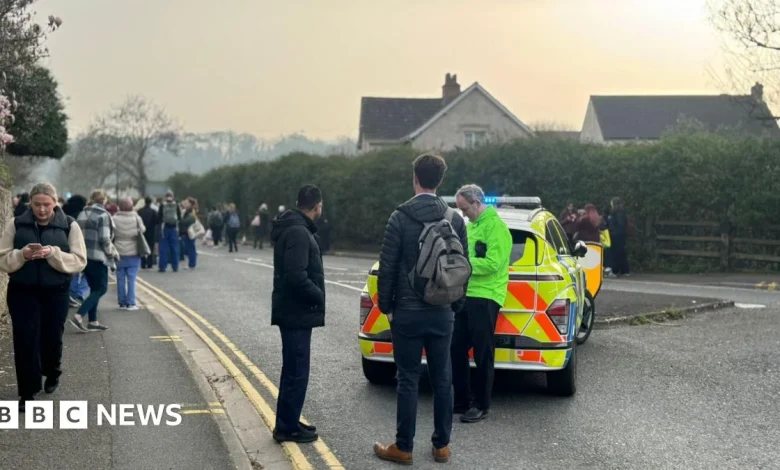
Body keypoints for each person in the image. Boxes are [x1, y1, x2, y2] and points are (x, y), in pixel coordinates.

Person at [374, 154, 468, 465]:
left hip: (408, 312)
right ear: (439, 181)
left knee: (409, 378)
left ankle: (404, 447)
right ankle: (441, 446)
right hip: (442, 311)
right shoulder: (454, 218)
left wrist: (386, 306)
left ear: (415, 179)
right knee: (443, 378)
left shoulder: (399, 218)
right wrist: (456, 305)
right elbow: (461, 266)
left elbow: (387, 268)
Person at [0, 183, 87, 412]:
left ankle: (52, 371)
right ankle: (27, 393)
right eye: (37, 204)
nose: (41, 210)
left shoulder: (69, 225)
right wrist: (23, 254)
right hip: (22, 291)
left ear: (55, 203)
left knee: (51, 338)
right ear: (30, 203)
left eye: (46, 204)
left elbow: (79, 260)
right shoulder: (16, 224)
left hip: (56, 291)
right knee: (25, 339)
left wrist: (53, 253)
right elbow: (2, 258)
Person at [452, 184, 511, 424]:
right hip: (466, 295)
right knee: (455, 347)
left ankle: (482, 405)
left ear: (477, 203)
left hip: (486, 296)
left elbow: (493, 263)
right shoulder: (472, 226)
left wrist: (463, 264)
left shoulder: (496, 227)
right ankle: (461, 400)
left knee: (483, 352)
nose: (463, 213)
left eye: (465, 208)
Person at [270, 185, 325, 444]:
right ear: (317, 206)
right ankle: (287, 428)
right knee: (296, 371)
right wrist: (318, 294)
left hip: (293, 311)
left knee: (293, 369)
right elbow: (296, 276)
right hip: (296, 311)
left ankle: (288, 422)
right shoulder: (298, 232)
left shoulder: (294, 228)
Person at [70, 189, 116, 332]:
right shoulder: (102, 215)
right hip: (97, 257)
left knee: (94, 288)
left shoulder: (82, 214)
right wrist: (111, 255)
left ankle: (93, 321)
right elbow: (105, 239)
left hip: (84, 257)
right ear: (104, 200)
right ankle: (79, 315)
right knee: (101, 288)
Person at [113, 197, 146, 310]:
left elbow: (111, 233)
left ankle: (122, 302)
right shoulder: (136, 218)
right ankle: (131, 303)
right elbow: (143, 230)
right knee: (131, 278)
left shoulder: (114, 218)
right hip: (134, 251)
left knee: (120, 278)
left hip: (119, 251)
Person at [63, 194, 90, 307]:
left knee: (71, 271)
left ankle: (71, 293)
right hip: (80, 245)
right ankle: (79, 293)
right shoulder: (82, 215)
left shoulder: (64, 212)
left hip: (65, 245)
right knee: (85, 271)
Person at [157, 191, 181, 273]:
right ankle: (175, 266)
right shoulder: (176, 205)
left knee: (163, 248)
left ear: (165, 197)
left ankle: (162, 267)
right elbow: (179, 217)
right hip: (174, 228)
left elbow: (159, 217)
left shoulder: (162, 205)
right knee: (174, 248)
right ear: (173, 197)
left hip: (165, 227)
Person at [608, 197, 630, 276]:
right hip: (620, 234)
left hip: (617, 234)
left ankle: (616, 270)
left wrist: (612, 226)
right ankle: (624, 270)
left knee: (617, 253)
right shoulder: (621, 211)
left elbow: (620, 223)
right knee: (621, 252)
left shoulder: (617, 212)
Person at [138, 196, 159, 269]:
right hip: (151, 231)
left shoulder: (140, 211)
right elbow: (157, 221)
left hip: (142, 231)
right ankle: (150, 263)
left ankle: (143, 263)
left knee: (143, 247)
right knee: (150, 247)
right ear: (150, 203)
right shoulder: (153, 212)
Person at [179, 197, 199, 269]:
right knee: (189, 247)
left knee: (190, 247)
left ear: (190, 204)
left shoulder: (190, 211)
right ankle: (191, 263)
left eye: (187, 202)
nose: (185, 203)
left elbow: (189, 220)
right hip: (187, 230)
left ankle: (192, 263)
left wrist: (182, 221)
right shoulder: (188, 210)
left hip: (189, 230)